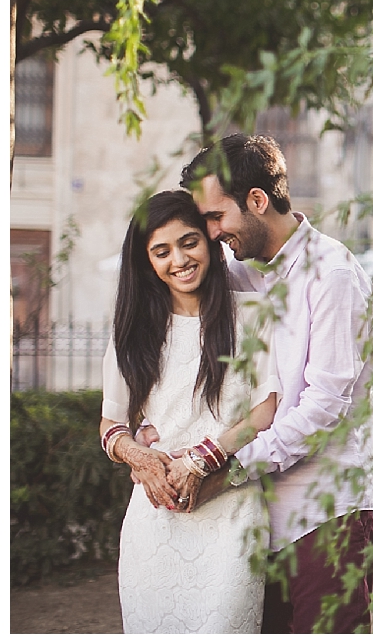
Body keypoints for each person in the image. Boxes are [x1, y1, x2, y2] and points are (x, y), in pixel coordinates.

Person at [178, 132, 373, 634]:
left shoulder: (333, 274)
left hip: (327, 512)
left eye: (215, 217)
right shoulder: (244, 274)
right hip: (255, 521)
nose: (211, 233)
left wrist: (227, 470)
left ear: (257, 200)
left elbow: (322, 412)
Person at [99, 190, 280, 633]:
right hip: (154, 518)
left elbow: (267, 409)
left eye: (189, 242)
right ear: (147, 262)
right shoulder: (135, 331)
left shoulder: (252, 315)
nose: (178, 259)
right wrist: (136, 455)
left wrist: (205, 458)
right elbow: (110, 422)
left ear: (210, 241)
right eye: (161, 251)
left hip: (230, 513)